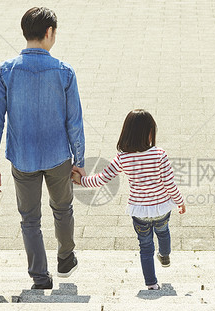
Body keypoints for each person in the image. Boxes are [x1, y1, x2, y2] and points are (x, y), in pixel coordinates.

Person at [0, 7, 86, 290]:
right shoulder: (64, 72)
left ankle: (40, 277)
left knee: (30, 219)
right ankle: (65, 258)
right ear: (49, 33)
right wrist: (79, 159)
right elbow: (74, 122)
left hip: (22, 156)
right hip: (58, 157)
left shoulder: (6, 70)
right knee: (63, 208)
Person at [72, 110, 185, 290]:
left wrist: (82, 181)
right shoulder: (160, 154)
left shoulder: (123, 158)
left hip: (139, 212)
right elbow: (169, 184)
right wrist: (180, 201)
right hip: (162, 209)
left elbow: (102, 179)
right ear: (150, 133)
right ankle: (164, 255)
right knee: (163, 233)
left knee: (145, 247)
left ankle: (151, 284)